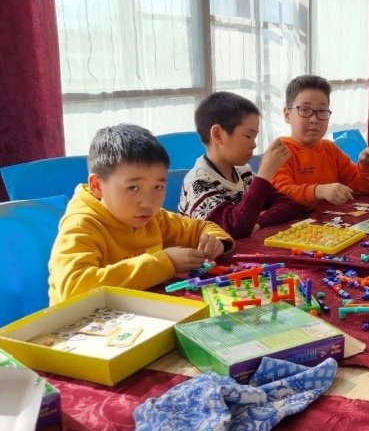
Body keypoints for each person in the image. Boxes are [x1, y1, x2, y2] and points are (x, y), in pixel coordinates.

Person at [48, 124, 234, 305]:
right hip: (84, 323)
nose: (148, 203)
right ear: (97, 186)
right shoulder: (82, 225)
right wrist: (165, 263)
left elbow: (201, 227)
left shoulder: (154, 218)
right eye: (133, 188)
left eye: (158, 187)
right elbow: (74, 289)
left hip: (137, 312)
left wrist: (216, 241)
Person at [178, 91, 305, 238]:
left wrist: (257, 223)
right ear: (218, 134)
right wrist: (264, 175)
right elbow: (231, 230)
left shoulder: (244, 173)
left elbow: (287, 205)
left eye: (255, 137)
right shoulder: (198, 182)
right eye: (248, 136)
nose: (254, 144)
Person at [271, 75, 369, 206]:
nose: (314, 119)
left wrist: (366, 166)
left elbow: (361, 188)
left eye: (322, 111)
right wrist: (319, 191)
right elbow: (280, 195)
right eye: (305, 110)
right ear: (287, 115)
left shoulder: (330, 149)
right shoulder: (279, 152)